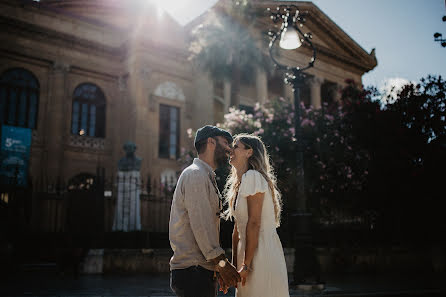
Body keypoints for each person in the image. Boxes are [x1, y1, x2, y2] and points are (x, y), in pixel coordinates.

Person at [169, 125, 241, 297]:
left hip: (199, 270)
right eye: (225, 143)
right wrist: (223, 265)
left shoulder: (204, 175)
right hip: (193, 271)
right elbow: (202, 227)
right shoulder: (196, 175)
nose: (229, 149)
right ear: (210, 142)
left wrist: (217, 268)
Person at [224, 133, 289, 297]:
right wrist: (233, 266)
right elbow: (237, 230)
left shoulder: (252, 177)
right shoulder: (241, 182)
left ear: (249, 152)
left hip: (260, 254)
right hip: (246, 255)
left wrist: (246, 265)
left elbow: (254, 223)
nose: (230, 150)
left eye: (236, 146)